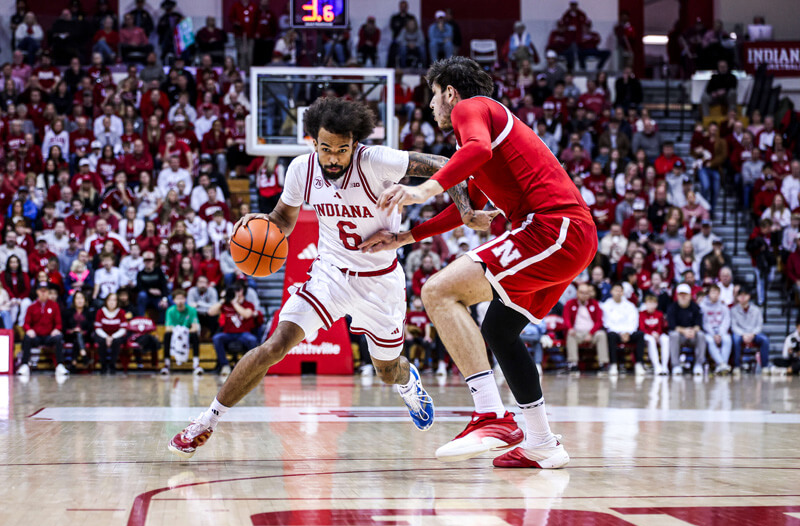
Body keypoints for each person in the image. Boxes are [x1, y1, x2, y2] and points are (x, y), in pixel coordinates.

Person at [168, 97, 486, 458]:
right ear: (312, 142)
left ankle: (408, 384)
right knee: (275, 346)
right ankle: (205, 421)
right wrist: (258, 224)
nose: (333, 157)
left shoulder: (376, 160)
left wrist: (466, 208)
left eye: (342, 149)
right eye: (326, 149)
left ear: (355, 143)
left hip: (379, 281)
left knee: (387, 371)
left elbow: (445, 164)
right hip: (329, 275)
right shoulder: (301, 170)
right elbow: (283, 221)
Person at [360, 57, 597, 469]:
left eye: (432, 96)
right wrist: (403, 238)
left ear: (449, 92)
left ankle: (491, 415)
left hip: (553, 227)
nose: (430, 106)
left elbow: (476, 152)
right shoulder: (476, 137)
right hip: (564, 235)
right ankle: (542, 442)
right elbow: (467, 207)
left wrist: (424, 189)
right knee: (499, 330)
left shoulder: (473, 109)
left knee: (438, 290)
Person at [17, 282, 66, 377]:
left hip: (49, 336)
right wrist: (29, 330)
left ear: (48, 292)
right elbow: (26, 323)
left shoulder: (54, 306)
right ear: (37, 292)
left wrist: (56, 329)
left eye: (45, 291)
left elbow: (59, 323)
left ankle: (60, 365)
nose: (43, 293)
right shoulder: (31, 307)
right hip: (36, 336)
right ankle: (24, 365)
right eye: (41, 291)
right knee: (27, 338)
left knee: (59, 337)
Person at [563, 282, 608, 374]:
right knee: (570, 335)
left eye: (586, 293)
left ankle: (602, 364)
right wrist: (570, 328)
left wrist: (591, 333)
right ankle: (573, 364)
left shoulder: (595, 304)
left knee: (602, 334)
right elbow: (566, 319)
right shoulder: (570, 304)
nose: (584, 295)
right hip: (577, 333)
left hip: (592, 333)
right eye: (582, 292)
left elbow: (599, 321)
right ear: (577, 293)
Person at [601, 282, 645, 376]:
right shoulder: (606, 305)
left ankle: (639, 364)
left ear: (623, 292)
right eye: (616, 290)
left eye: (620, 291)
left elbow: (634, 321)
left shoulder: (630, 305)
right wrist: (620, 333)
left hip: (628, 332)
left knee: (640, 335)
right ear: (611, 292)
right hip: (615, 332)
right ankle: (613, 364)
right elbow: (606, 323)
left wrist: (627, 332)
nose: (618, 293)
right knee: (611, 336)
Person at [730, 287, 772, 376]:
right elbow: (734, 326)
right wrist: (743, 334)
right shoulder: (733, 310)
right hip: (740, 334)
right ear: (737, 297)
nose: (742, 297)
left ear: (749, 296)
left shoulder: (756, 310)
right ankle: (737, 366)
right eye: (740, 295)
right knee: (735, 339)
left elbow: (759, 325)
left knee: (764, 340)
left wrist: (752, 334)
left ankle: (765, 366)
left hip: (754, 333)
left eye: (745, 295)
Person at [666, 283, 706, 376]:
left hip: (692, 335)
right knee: (673, 335)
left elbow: (699, 325)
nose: (683, 297)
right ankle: (676, 365)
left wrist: (693, 331)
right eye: (681, 294)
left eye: (685, 294)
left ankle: (699, 364)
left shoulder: (695, 307)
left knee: (701, 335)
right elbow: (672, 326)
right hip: (680, 335)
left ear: (690, 295)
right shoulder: (672, 308)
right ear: (677, 295)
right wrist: (684, 331)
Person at [163, 289, 201, 375]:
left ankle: (196, 364)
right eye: (178, 298)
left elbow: (195, 327)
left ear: (185, 299)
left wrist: (184, 331)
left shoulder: (191, 310)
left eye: (182, 298)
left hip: (187, 335)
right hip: (175, 336)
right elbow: (168, 328)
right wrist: (178, 331)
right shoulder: (170, 311)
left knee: (195, 336)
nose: (180, 301)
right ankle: (166, 364)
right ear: (173, 300)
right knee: (167, 335)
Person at [700, 284, 732, 374]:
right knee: (709, 340)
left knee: (727, 339)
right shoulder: (703, 306)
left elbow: (726, 321)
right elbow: (704, 322)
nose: (715, 295)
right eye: (713, 292)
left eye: (717, 293)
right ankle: (722, 363)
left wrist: (720, 334)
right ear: (709, 294)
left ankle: (722, 365)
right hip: (708, 332)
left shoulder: (723, 307)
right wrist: (713, 334)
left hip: (721, 331)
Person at [93, 292, 127, 374]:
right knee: (101, 341)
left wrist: (113, 337)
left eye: (114, 300)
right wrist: (106, 337)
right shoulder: (100, 312)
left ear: (117, 302)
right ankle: (103, 365)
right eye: (110, 300)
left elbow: (123, 329)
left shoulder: (121, 312)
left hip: (116, 335)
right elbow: (98, 328)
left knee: (117, 341)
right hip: (103, 334)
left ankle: (112, 365)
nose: (112, 302)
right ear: (106, 301)